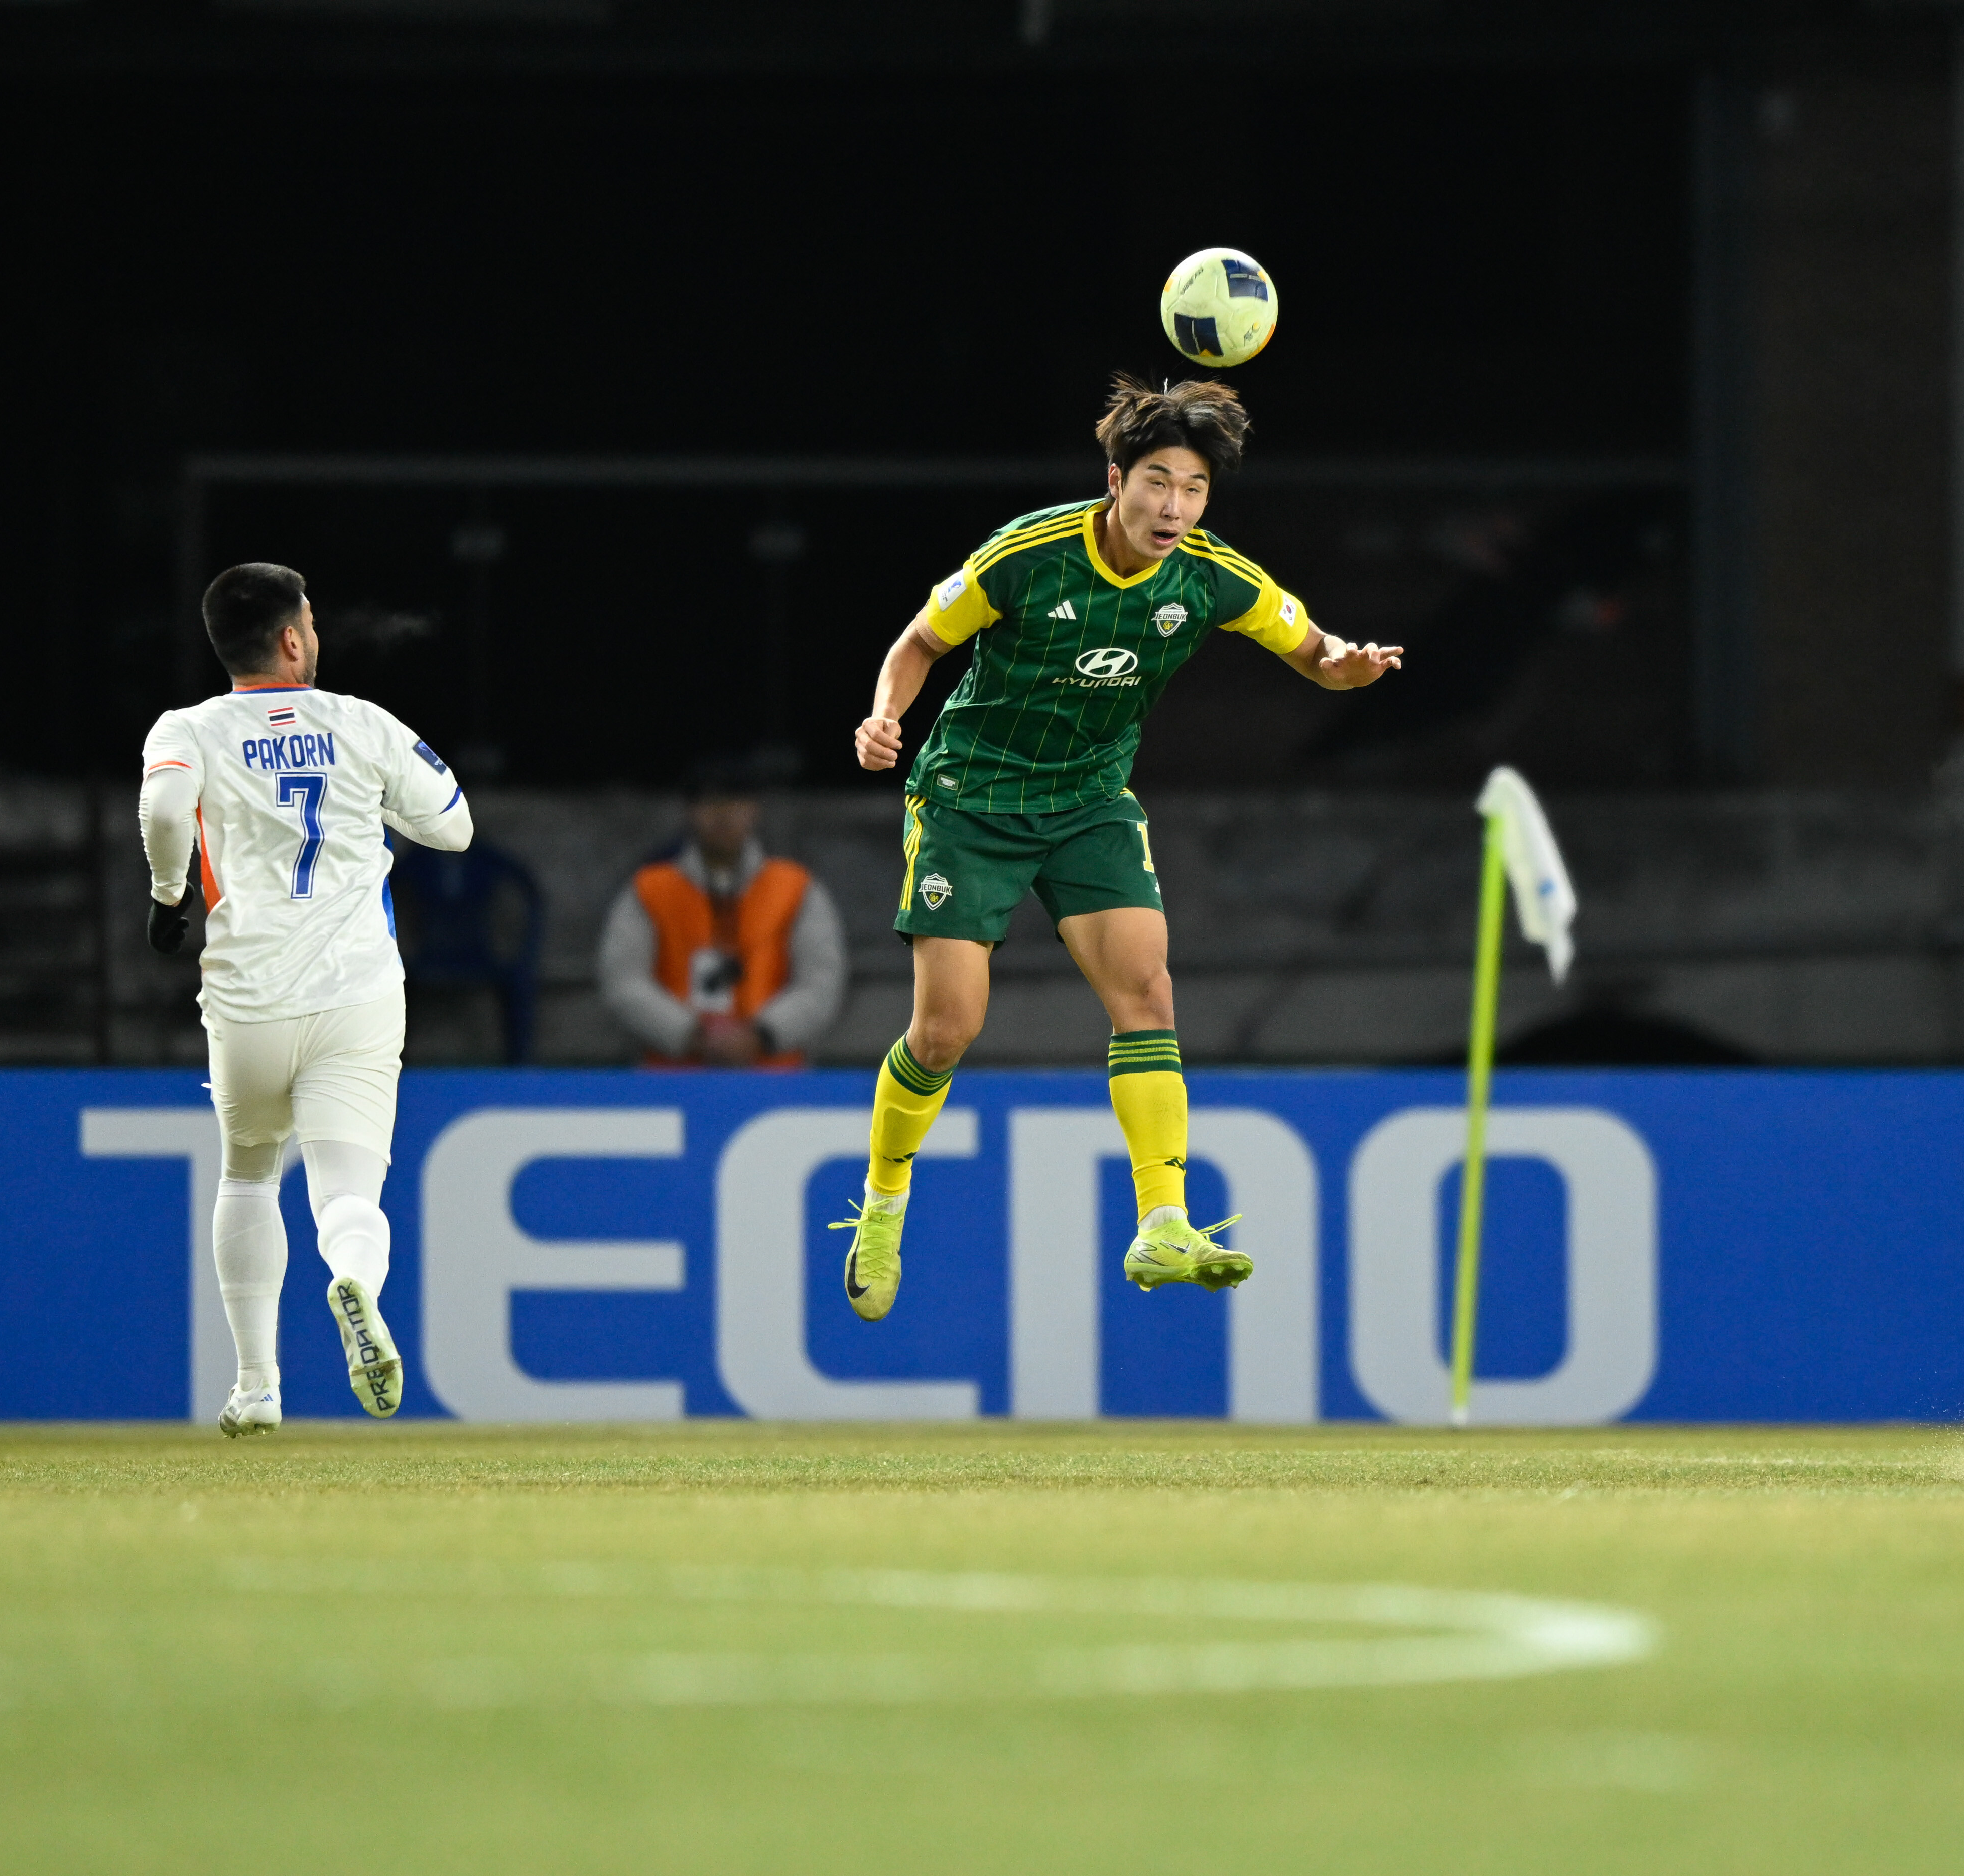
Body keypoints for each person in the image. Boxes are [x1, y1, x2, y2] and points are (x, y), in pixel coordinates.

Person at [836, 374, 1402, 1321]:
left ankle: (1162, 1222)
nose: (1174, 507)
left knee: (1147, 991)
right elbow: (919, 642)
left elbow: (1315, 651)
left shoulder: (1213, 576)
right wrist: (883, 716)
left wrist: (1349, 669)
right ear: (1116, 480)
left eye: (1194, 489)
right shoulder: (1027, 554)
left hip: (1089, 801)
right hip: (972, 799)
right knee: (947, 1029)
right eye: (1158, 483)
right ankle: (885, 1204)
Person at [139, 562, 473, 1437]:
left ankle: (256, 1384)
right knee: (348, 1191)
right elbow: (455, 826)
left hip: (248, 1000)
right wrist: (377, 807)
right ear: (292, 639)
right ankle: (353, 1278)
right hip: (356, 992)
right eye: (312, 622)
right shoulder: (360, 722)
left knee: (249, 1174)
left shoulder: (188, 727)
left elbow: (165, 808)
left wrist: (168, 894)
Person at [597, 763, 846, 1066]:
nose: (723, 814)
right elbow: (624, 981)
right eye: (709, 802)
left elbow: (821, 983)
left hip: (777, 1080)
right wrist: (690, 1035)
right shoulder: (649, 890)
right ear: (689, 812)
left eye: (735, 801)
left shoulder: (797, 888)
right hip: (671, 1078)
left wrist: (761, 1035)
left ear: (754, 810)